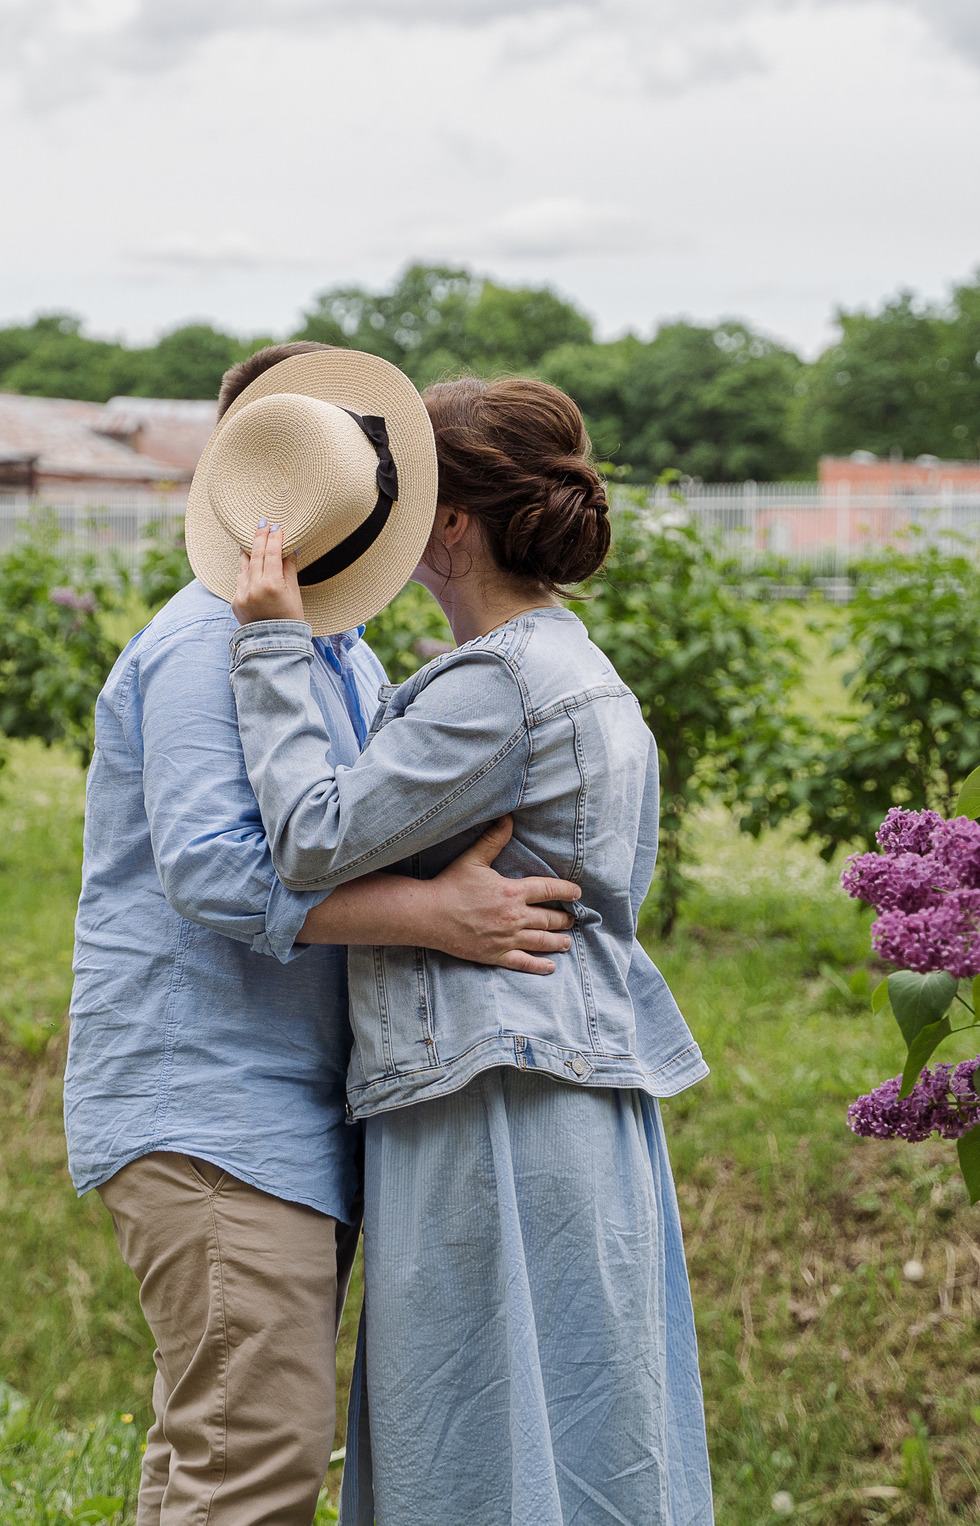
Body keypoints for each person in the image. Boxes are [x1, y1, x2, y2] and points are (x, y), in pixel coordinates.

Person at [65, 343, 587, 1526]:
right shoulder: (207, 643)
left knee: (210, 1454)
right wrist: (436, 917)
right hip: (212, 1110)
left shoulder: (330, 647)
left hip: (274, 1110)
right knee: (256, 1465)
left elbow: (339, 825)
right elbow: (209, 871)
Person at [226, 374, 714, 1526]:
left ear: (449, 526)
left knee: (472, 1433)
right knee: (589, 1422)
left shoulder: (495, 690)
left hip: (488, 1099)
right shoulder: (577, 669)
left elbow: (309, 837)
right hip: (569, 1091)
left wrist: (268, 651)